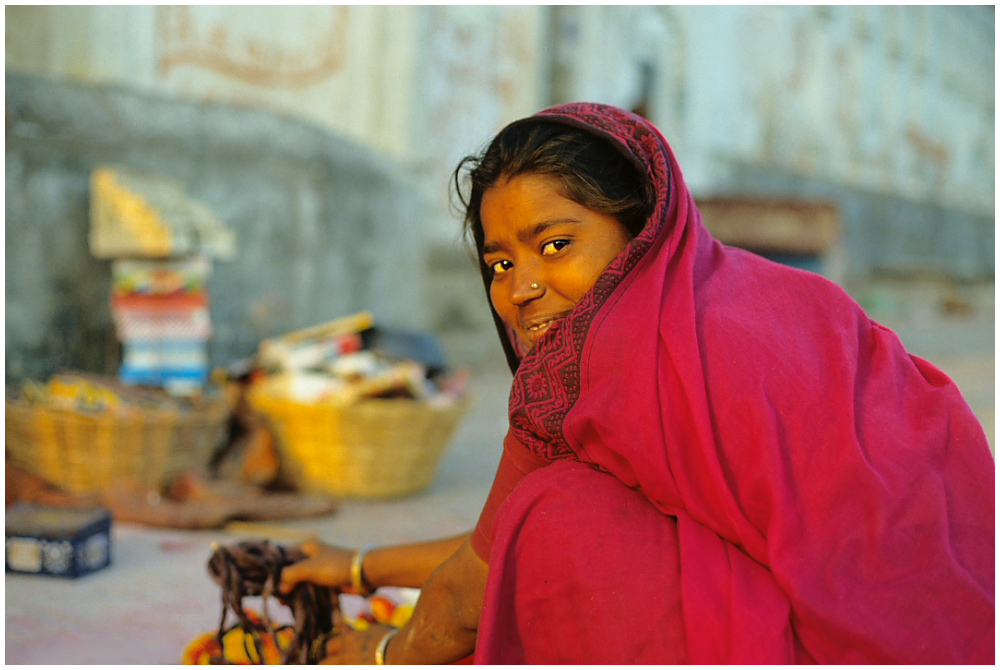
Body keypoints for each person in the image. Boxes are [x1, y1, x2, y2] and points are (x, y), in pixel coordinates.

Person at [279, 102, 995, 664]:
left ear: (640, 231)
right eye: (498, 263)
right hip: (958, 634)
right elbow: (502, 535)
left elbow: (484, 573)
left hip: (850, 648)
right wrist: (362, 568)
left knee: (566, 515)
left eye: (554, 245)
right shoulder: (756, 295)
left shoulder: (600, 366)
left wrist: (383, 655)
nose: (520, 288)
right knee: (559, 512)